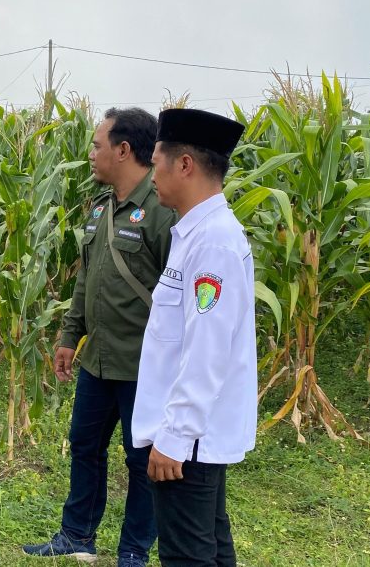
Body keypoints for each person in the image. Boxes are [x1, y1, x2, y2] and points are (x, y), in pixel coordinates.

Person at [23, 107, 174, 567]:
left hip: (142, 366)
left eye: (96, 145)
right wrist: (71, 336)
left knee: (139, 460)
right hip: (98, 361)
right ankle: (77, 535)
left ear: (123, 150)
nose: (90, 154)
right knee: (84, 444)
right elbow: (85, 280)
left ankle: (133, 549)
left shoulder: (161, 213)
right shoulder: (101, 209)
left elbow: (180, 295)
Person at [133, 108, 256, 567]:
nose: (153, 174)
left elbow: (207, 350)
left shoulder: (213, 243)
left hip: (190, 442)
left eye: (157, 162)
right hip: (194, 437)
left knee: (188, 555)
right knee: (211, 549)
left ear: (184, 165)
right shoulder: (197, 234)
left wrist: (176, 437)